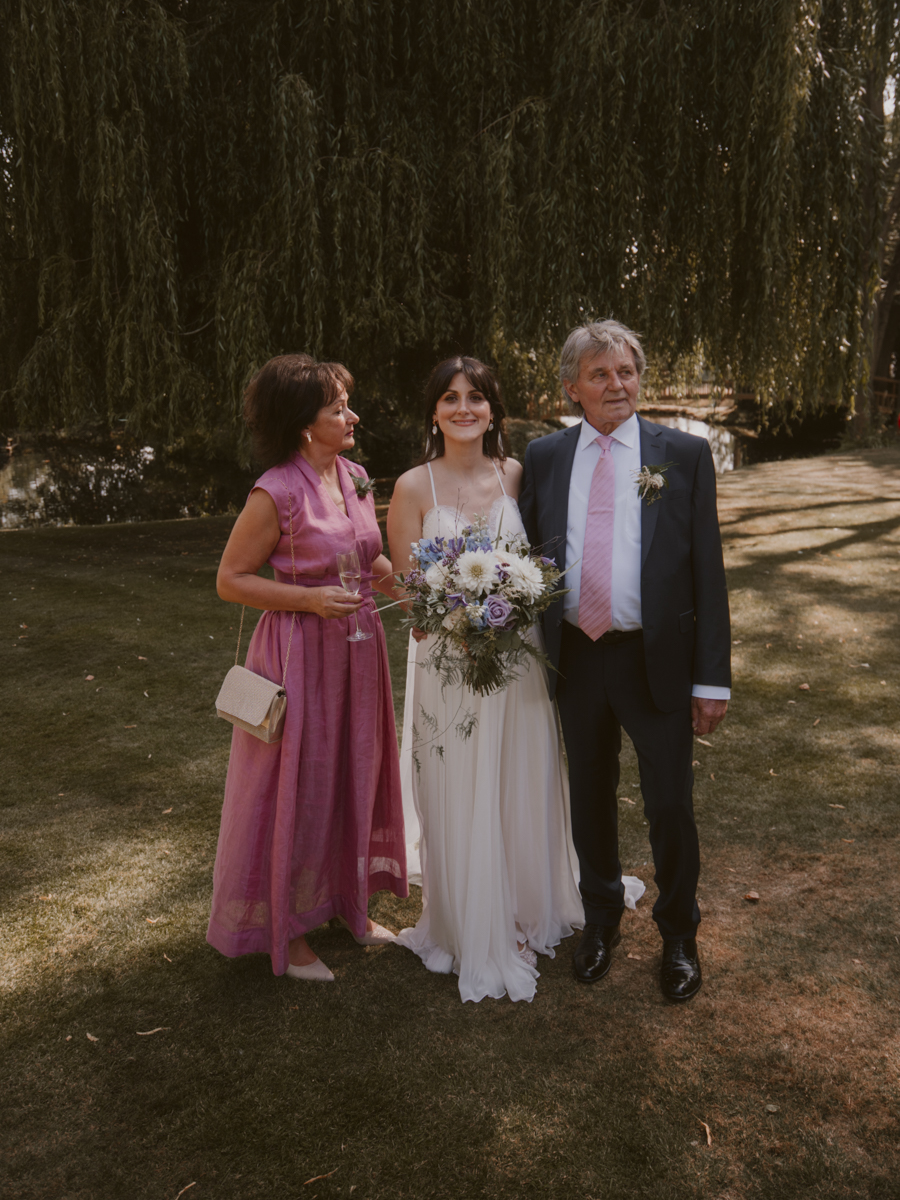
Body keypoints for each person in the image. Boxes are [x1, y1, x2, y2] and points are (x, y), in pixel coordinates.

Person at [387, 356, 644, 1004]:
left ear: (493, 410)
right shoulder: (413, 486)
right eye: (450, 398)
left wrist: (514, 597)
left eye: (476, 397)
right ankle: (472, 919)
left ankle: (530, 904)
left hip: (520, 658)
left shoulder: (517, 474)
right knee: (459, 780)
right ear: (434, 413)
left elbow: (546, 557)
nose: (464, 408)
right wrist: (454, 614)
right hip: (451, 663)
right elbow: (408, 588)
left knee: (521, 775)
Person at [519, 319, 731, 1001]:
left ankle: (679, 932)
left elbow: (707, 570)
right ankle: (601, 918)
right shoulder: (545, 457)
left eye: (627, 371)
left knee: (669, 801)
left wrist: (711, 679)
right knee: (589, 795)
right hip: (577, 656)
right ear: (571, 387)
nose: (617, 384)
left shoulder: (684, 454)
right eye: (600, 374)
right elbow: (527, 557)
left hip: (655, 657)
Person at [207, 354, 407, 982]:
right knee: (302, 784)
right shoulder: (275, 491)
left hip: (359, 650)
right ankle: (288, 932)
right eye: (338, 408)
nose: (353, 416)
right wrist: (311, 600)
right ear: (303, 424)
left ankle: (350, 904)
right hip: (299, 653)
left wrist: (419, 597)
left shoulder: (355, 476)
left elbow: (367, 557)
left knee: (356, 771)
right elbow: (230, 580)